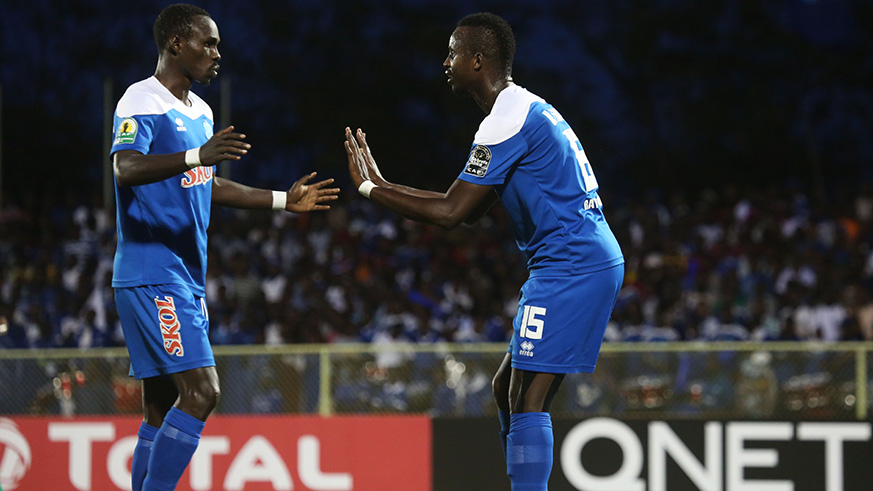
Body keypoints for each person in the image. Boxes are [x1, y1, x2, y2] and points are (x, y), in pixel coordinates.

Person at [344, 12, 623, 490]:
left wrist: (371, 188)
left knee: (527, 396)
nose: (445, 62)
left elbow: (451, 213)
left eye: (453, 53)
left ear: (478, 60)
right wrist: (385, 184)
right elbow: (468, 211)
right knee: (505, 389)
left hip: (572, 265)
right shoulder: (523, 109)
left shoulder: (506, 119)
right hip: (573, 260)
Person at [111, 5, 338, 491]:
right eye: (207, 43)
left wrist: (283, 200)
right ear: (176, 43)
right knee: (202, 393)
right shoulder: (141, 99)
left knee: (158, 408)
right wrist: (197, 154)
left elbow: (206, 185)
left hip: (183, 277)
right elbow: (125, 168)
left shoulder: (202, 111)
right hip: (154, 272)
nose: (217, 54)